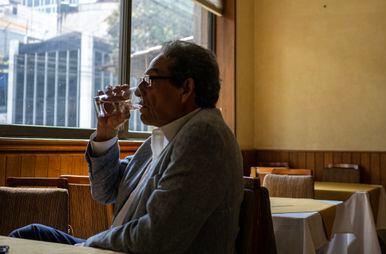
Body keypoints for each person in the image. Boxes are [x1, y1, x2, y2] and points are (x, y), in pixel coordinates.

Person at [9, 40, 244, 254]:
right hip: (120, 248)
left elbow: (155, 239)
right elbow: (105, 191)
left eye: (150, 80)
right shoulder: (165, 135)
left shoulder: (204, 137)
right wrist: (107, 133)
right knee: (30, 235)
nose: (139, 90)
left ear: (186, 88)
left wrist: (86, 245)